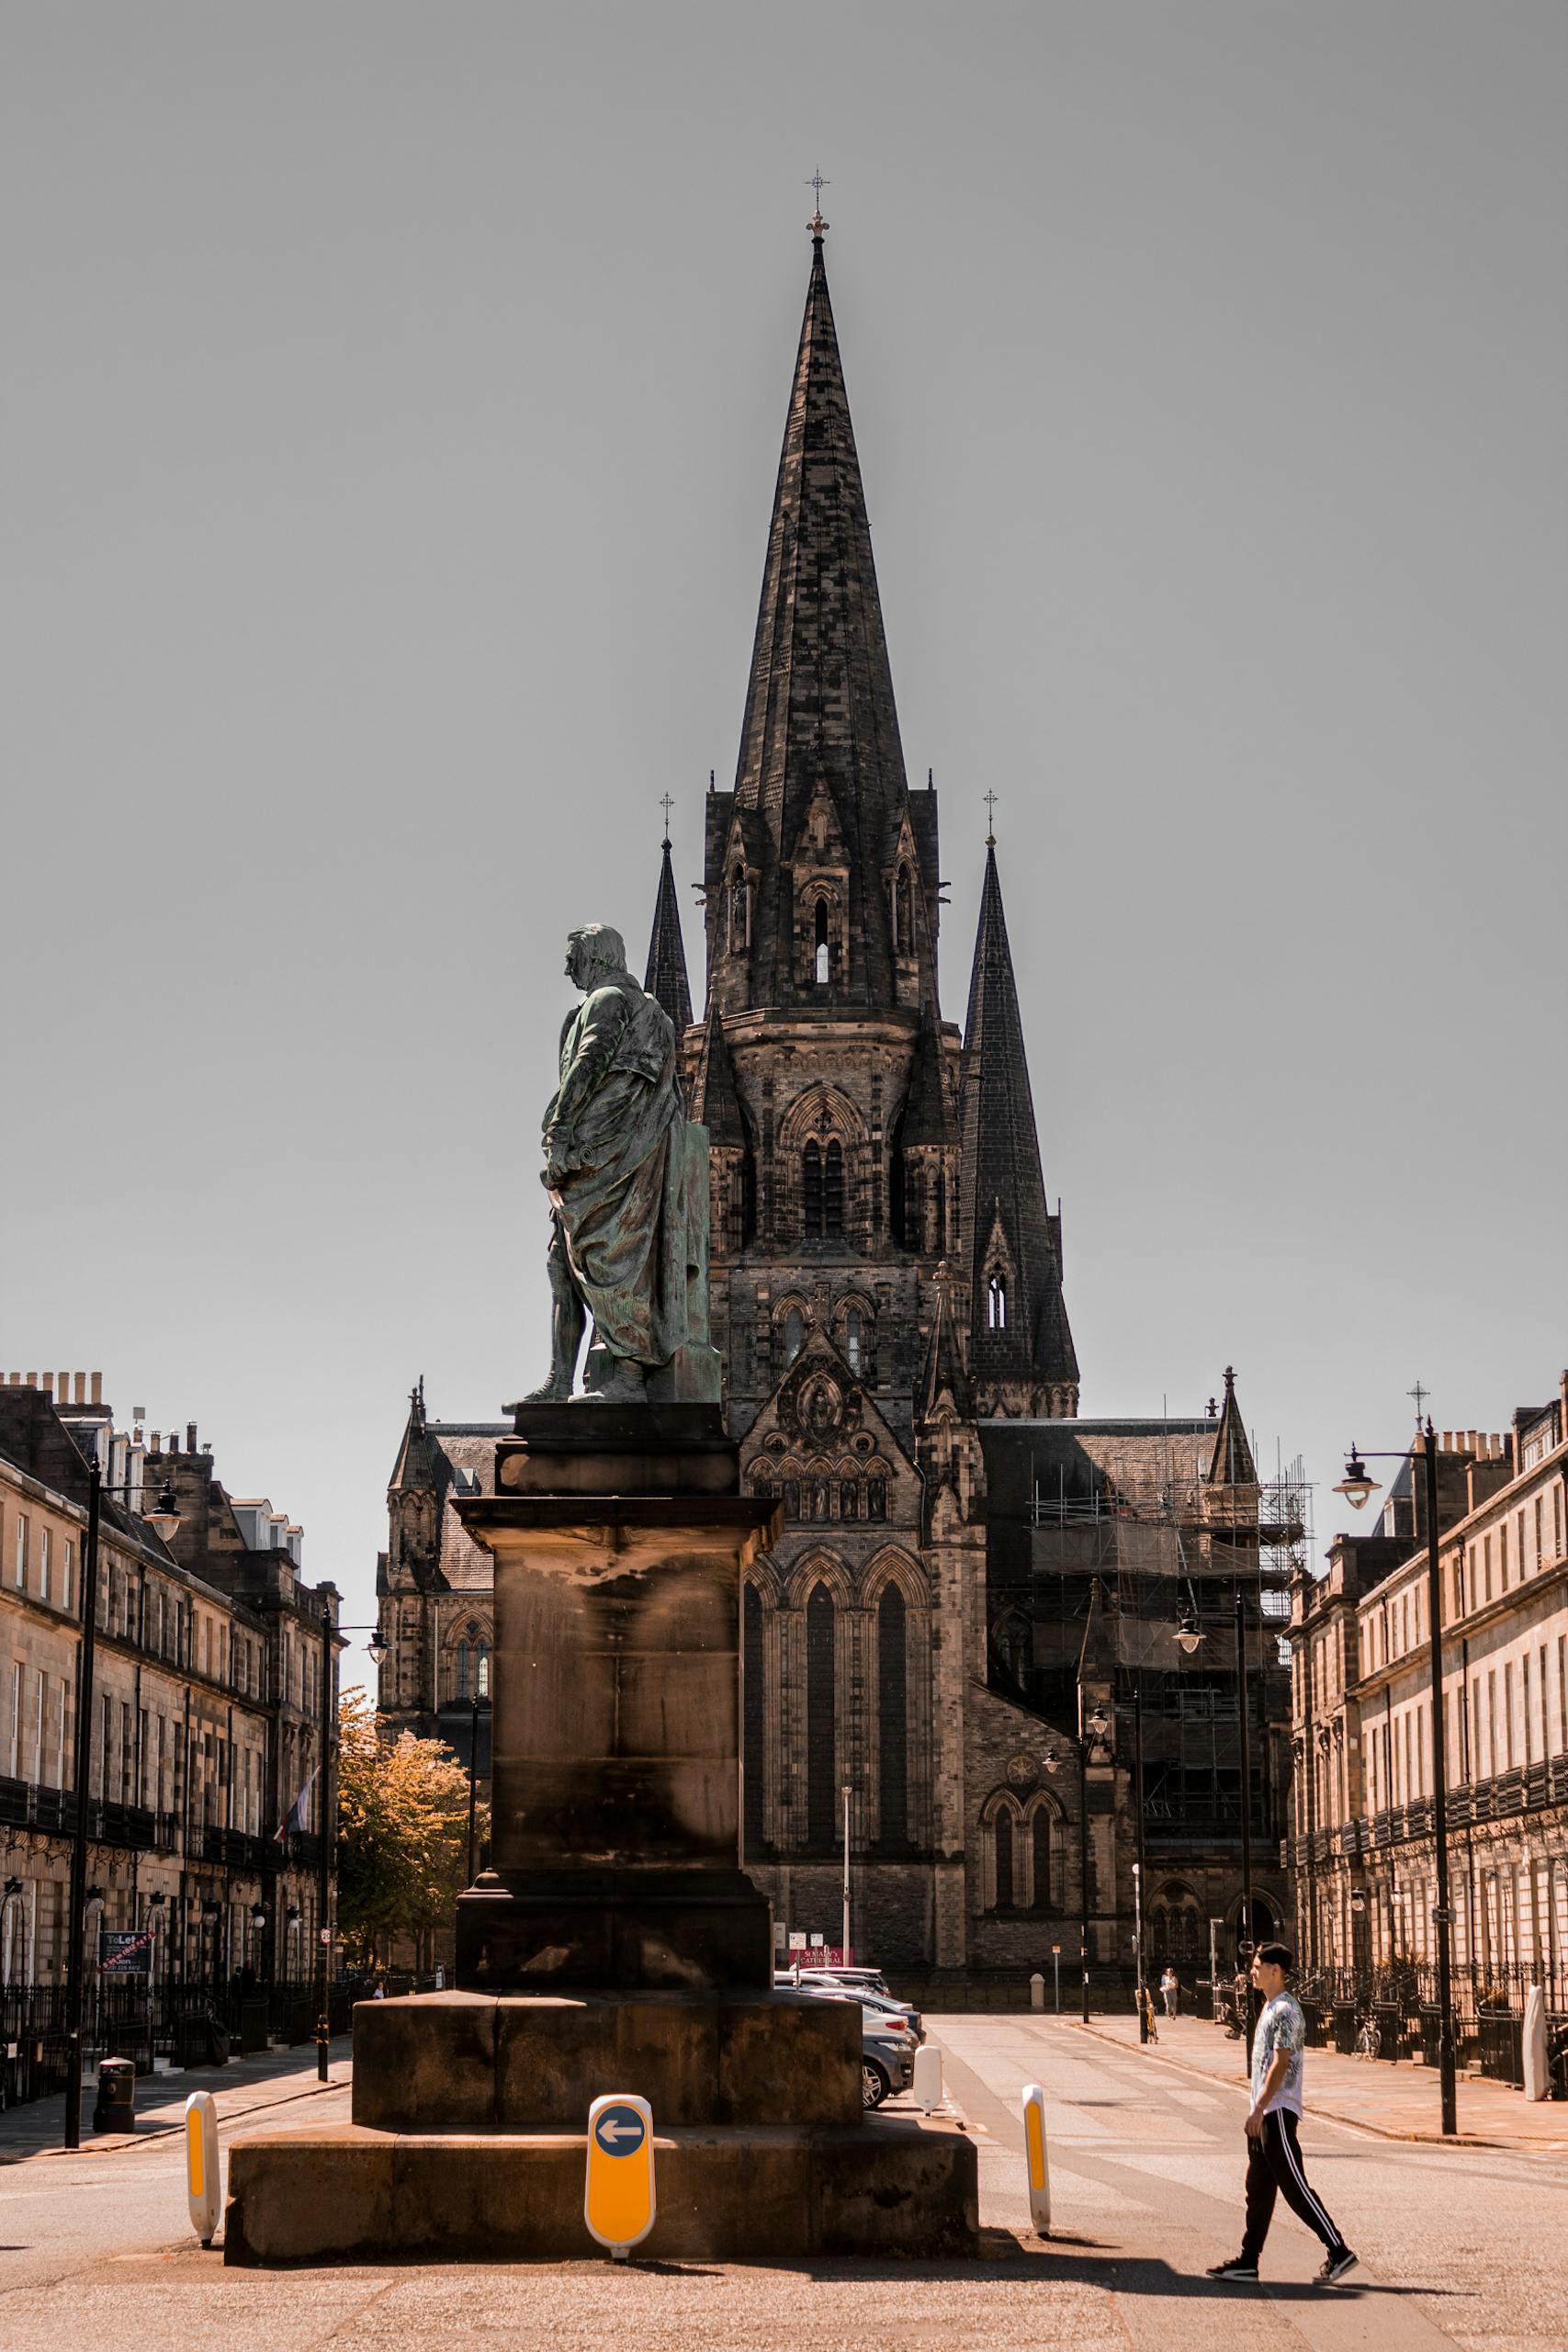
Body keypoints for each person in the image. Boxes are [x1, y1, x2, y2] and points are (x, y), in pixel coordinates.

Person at [1207, 1942, 1358, 2287]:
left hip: (1276, 2112)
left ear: (1276, 1970)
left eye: (1258, 1967)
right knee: (1257, 2189)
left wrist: (1260, 2108)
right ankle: (1248, 2261)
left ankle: (1338, 2250)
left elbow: (1281, 2061)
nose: (1252, 1972)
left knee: (1295, 2187)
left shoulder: (1286, 2010)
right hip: (1263, 2114)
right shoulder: (1270, 2007)